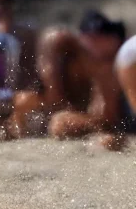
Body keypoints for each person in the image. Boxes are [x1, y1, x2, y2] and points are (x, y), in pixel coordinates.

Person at [9, 11, 127, 148]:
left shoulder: (108, 66)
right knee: (22, 101)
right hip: (65, 106)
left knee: (60, 123)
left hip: (89, 116)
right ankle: (20, 138)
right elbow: (51, 87)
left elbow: (106, 119)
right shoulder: (64, 45)